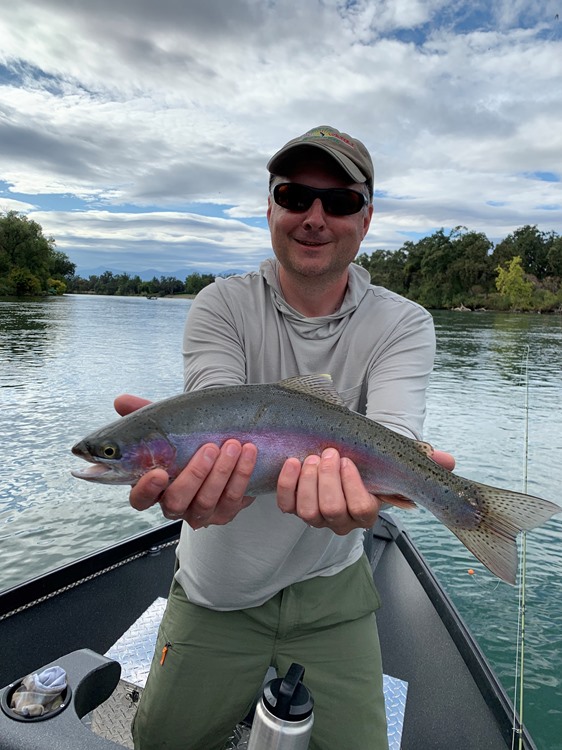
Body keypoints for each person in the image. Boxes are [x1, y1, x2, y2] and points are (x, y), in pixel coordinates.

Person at [115, 125, 454, 750]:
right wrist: (196, 464)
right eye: (295, 196)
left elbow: (397, 434)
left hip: (335, 593)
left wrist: (412, 479)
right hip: (216, 591)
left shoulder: (405, 323)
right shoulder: (220, 304)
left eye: (341, 200)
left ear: (367, 217)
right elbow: (215, 403)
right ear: (270, 208)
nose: (315, 217)